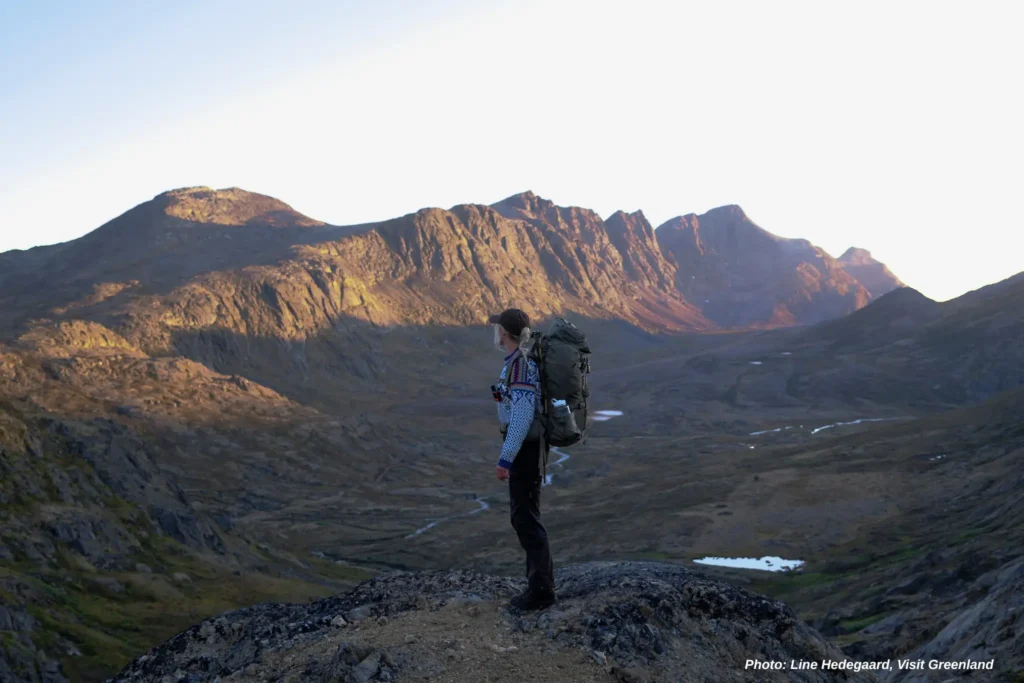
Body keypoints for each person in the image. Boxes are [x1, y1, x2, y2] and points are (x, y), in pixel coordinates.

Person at [489, 308, 557, 610]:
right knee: (524, 515)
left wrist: (505, 459)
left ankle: (541, 591)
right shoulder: (519, 363)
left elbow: (521, 416)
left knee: (526, 518)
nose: (496, 332)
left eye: (498, 327)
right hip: (526, 448)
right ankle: (539, 584)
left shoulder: (521, 366)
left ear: (504, 332)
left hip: (525, 450)